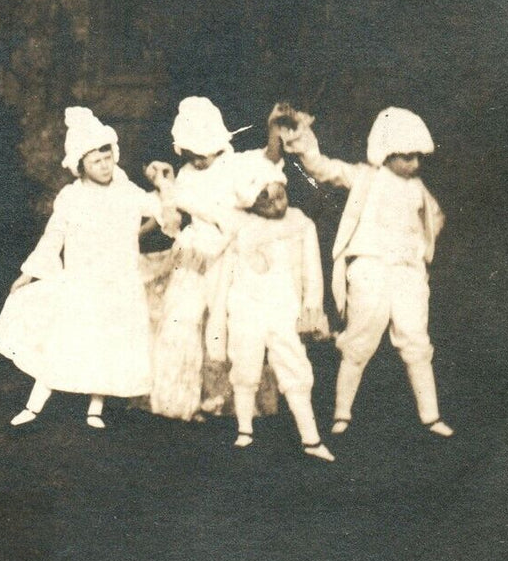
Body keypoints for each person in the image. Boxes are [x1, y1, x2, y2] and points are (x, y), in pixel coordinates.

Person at [0, 107, 175, 427]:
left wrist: (163, 183)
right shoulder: (71, 197)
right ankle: (34, 406)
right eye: (95, 161)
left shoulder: (126, 191)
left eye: (107, 157)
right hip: (82, 282)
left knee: (106, 343)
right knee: (64, 340)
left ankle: (95, 407)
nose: (104, 166)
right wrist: (28, 274)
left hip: (118, 283)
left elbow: (162, 211)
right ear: (80, 166)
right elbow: (53, 237)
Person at [280, 105, 451, 437]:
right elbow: (321, 167)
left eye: (418, 157)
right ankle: (342, 413)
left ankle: (431, 416)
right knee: (359, 339)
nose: (414, 164)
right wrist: (300, 137)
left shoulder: (417, 188)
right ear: (386, 152)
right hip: (371, 268)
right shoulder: (365, 177)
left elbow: (434, 219)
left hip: (406, 271)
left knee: (416, 339)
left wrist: (417, 251)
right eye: (407, 156)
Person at [142, 96, 285, 421]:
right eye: (190, 153)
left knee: (226, 326)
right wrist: (165, 186)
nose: (196, 159)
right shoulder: (185, 173)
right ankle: (176, 400)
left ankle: (224, 399)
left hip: (228, 254)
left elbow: (269, 160)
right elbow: (174, 215)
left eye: (201, 152)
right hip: (194, 253)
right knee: (182, 318)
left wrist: (274, 128)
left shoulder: (236, 165)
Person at [223, 159, 336, 461]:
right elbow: (229, 271)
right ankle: (244, 430)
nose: (276, 205)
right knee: (245, 361)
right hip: (247, 304)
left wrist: (311, 310)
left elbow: (313, 272)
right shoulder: (242, 226)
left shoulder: (300, 224)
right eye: (265, 201)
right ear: (251, 203)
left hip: (284, 305)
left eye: (280, 196)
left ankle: (311, 438)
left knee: (294, 365)